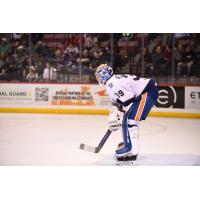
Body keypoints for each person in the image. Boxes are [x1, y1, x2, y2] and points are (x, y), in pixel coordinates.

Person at [95, 64, 159, 162]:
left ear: (104, 75)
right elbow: (119, 102)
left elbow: (129, 99)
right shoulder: (113, 81)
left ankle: (130, 149)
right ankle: (129, 145)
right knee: (127, 119)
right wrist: (115, 114)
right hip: (146, 91)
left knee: (130, 120)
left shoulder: (111, 84)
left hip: (147, 92)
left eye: (99, 75)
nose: (97, 78)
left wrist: (118, 114)